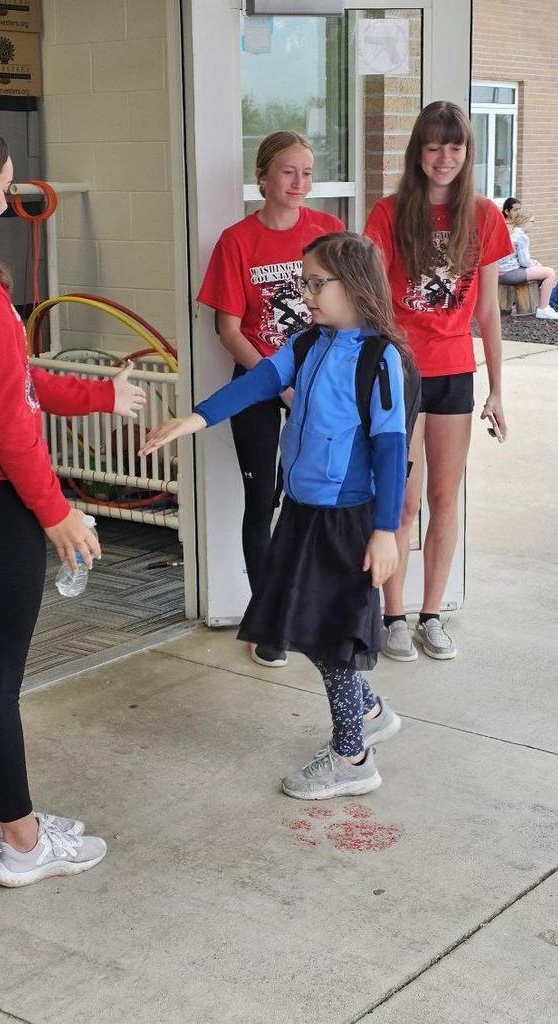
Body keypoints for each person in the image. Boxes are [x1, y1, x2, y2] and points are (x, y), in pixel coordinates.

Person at [0, 116, 146, 887]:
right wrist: (58, 514)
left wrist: (96, 393)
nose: (6, 200)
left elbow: (8, 384)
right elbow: (8, 420)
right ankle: (23, 843)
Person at [140, 232, 407, 800]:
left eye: (317, 284)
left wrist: (386, 530)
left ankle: (352, 755)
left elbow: (390, 449)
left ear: (354, 285)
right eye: (303, 282)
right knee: (298, 621)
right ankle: (370, 708)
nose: (305, 293)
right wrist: (196, 418)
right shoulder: (308, 343)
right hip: (302, 511)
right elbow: (262, 379)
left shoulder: (380, 360)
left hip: (346, 520)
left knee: (332, 637)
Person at [364, 101, 511, 663]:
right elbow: (372, 300)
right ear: (417, 152)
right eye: (433, 145)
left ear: (467, 153)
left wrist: (497, 389)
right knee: (401, 502)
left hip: (455, 374)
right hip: (402, 372)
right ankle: (393, 616)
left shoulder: (485, 216)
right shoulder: (388, 213)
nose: (444, 157)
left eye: (455, 146)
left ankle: (431, 615)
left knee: (445, 500)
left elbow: (488, 314)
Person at [197, 131, 345, 670]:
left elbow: (353, 306)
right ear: (262, 177)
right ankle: (268, 621)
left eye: (307, 173)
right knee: (263, 501)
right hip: (259, 387)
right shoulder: (237, 241)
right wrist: (276, 382)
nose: (299, 183)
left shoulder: (329, 233)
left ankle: (315, 606)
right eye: (288, 172)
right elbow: (228, 327)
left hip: (321, 388)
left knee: (320, 499)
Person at [498, 209, 558, 319]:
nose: (533, 225)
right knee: (550, 273)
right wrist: (536, 264)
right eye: (532, 222)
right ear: (524, 222)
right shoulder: (521, 236)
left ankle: (518, 304)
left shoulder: (512, 233)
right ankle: (543, 309)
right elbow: (525, 262)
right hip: (510, 273)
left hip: (501, 273)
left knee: (540, 271)